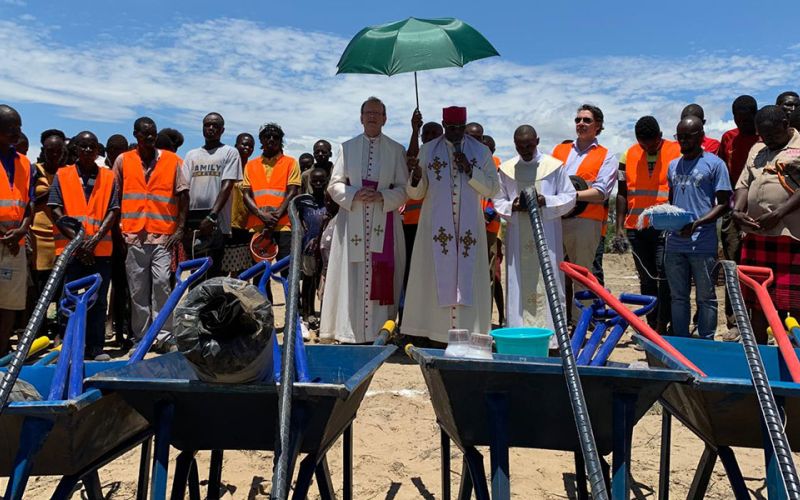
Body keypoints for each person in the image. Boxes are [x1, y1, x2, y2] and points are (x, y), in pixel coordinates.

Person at [403, 106, 499, 343]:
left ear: (465, 126)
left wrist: (469, 169)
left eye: (459, 128)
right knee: (433, 275)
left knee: (470, 277)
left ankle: (469, 330)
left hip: (470, 230)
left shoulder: (481, 151)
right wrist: (415, 177)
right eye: (450, 128)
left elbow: (493, 188)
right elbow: (416, 193)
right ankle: (435, 333)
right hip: (435, 228)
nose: (455, 133)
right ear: (444, 125)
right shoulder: (428, 150)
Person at [320, 96, 409, 343]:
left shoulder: (396, 149)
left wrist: (382, 196)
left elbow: (404, 189)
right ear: (360, 118)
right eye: (368, 113)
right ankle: (347, 330)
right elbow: (334, 184)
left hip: (384, 218)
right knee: (350, 273)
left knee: (383, 273)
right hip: (352, 220)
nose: (372, 117)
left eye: (377, 113)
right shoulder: (346, 148)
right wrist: (353, 193)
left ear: (385, 118)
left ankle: (380, 332)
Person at [114, 116, 188, 352]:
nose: (150, 137)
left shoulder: (173, 161)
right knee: (137, 291)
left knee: (161, 286)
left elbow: (184, 196)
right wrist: (119, 231)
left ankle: (164, 336)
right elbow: (114, 196)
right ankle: (142, 338)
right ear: (136, 135)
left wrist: (180, 229)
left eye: (153, 133)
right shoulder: (123, 161)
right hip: (134, 236)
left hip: (163, 236)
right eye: (145, 133)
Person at [494, 125, 576, 330]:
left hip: (547, 234)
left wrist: (545, 201)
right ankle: (518, 330)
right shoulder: (506, 169)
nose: (526, 150)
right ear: (515, 145)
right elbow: (497, 199)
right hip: (517, 236)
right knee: (518, 283)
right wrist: (513, 206)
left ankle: (551, 337)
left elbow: (569, 196)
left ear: (537, 141)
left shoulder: (554, 166)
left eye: (529, 145)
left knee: (550, 281)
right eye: (520, 146)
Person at [49, 131, 119, 360]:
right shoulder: (63, 175)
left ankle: (95, 348)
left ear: (98, 150)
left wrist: (96, 238)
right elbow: (56, 209)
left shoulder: (108, 177)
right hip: (72, 251)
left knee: (98, 301)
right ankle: (69, 347)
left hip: (100, 251)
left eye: (92, 147)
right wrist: (78, 243)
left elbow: (114, 210)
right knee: (69, 299)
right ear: (76, 149)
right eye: (83, 146)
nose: (88, 151)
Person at [733, 105, 800, 344]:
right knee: (758, 304)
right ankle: (762, 358)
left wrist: (780, 212)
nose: (767, 139)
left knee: (796, 304)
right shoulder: (757, 149)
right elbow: (743, 183)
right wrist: (737, 210)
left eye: (772, 134)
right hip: (757, 236)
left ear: (786, 124)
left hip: (791, 237)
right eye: (763, 134)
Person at [665, 115, 731, 339]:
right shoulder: (673, 166)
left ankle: (706, 342)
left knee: (706, 297)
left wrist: (698, 223)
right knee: (678, 297)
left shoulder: (715, 165)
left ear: (701, 136)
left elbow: (723, 204)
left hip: (702, 243)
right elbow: (673, 201)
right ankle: (682, 342)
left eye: (687, 137)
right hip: (674, 243)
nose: (682, 141)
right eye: (679, 137)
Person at [615, 116, 681, 334]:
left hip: (666, 226)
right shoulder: (628, 155)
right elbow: (622, 193)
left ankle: (665, 325)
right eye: (642, 143)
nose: (647, 147)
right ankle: (651, 327)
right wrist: (620, 229)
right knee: (647, 279)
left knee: (664, 276)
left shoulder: (676, 151)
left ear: (660, 137)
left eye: (651, 144)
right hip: (637, 228)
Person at [552, 104, 617, 321]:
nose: (581, 123)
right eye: (578, 119)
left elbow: (601, 192)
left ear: (598, 126)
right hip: (557, 219)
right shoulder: (560, 151)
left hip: (585, 221)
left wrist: (571, 196)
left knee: (581, 277)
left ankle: (580, 326)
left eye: (586, 120)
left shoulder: (607, 156)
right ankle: (554, 326)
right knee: (553, 274)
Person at [717, 95, 760, 341]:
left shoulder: (764, 136)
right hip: (733, 208)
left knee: (758, 265)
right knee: (732, 263)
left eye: (746, 118)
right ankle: (735, 322)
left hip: (760, 208)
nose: (741, 123)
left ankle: (763, 320)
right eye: (737, 118)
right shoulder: (729, 138)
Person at [181, 112, 241, 278]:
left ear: (222, 130)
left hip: (216, 218)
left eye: (215, 125)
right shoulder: (191, 155)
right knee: (196, 272)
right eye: (207, 125)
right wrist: (184, 221)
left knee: (214, 272)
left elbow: (227, 185)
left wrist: (212, 216)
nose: (211, 128)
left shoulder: (229, 152)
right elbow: (184, 188)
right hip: (194, 217)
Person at [241, 123, 300, 278]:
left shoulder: (290, 163)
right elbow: (246, 194)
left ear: (281, 140)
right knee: (259, 274)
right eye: (267, 136)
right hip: (258, 226)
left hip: (283, 226)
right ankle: (263, 303)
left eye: (276, 137)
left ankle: (292, 303)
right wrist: (261, 215)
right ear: (261, 139)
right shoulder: (251, 165)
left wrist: (273, 218)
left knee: (287, 272)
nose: (271, 139)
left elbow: (292, 191)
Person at [0, 105, 35, 356]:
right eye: (11, 128)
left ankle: (2, 354)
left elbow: (28, 203)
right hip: (4, 237)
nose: (17, 133)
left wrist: (22, 230)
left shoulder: (24, 163)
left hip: (16, 242)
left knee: (9, 303)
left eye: (19, 127)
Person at [29, 130, 67, 338]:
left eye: (58, 151)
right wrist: (53, 190)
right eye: (50, 151)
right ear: (44, 151)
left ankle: (61, 331)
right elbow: (30, 199)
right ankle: (40, 331)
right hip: (39, 236)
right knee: (41, 288)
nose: (54, 155)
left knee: (62, 288)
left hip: (61, 237)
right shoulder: (35, 171)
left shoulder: (69, 172)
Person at [298, 166, 329, 330]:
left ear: (326, 182)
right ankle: (306, 314)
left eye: (321, 181)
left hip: (325, 249)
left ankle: (324, 316)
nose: (317, 183)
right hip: (308, 248)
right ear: (310, 181)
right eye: (314, 180)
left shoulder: (330, 201)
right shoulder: (302, 201)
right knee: (309, 281)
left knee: (324, 282)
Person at [224, 132, 255, 277]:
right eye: (243, 144)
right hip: (227, 223)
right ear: (236, 145)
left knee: (242, 269)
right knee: (224, 267)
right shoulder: (227, 166)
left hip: (245, 225)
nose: (246, 147)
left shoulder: (252, 170)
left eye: (250, 145)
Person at [481, 134, 505, 326]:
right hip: (470, 226)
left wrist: (486, 216)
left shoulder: (497, 166)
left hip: (490, 228)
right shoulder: (471, 162)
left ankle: (489, 318)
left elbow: (497, 195)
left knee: (491, 275)